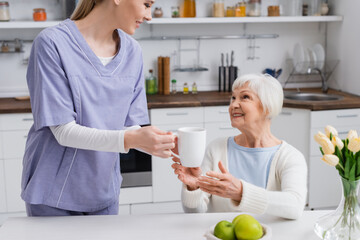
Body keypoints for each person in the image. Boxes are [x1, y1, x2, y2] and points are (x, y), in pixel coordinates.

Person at [21, 0, 176, 216]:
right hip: (53, 196)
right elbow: (63, 132)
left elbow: (132, 128)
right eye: (146, 4)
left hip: (103, 194)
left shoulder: (133, 52)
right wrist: (134, 139)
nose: (149, 15)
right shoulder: (52, 43)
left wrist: (164, 145)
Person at [172, 74, 308, 220]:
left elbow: (295, 206)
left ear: (267, 107)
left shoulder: (290, 157)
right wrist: (194, 188)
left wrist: (241, 192)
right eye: (233, 98)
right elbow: (194, 214)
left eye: (245, 97)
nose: (233, 105)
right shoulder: (216, 149)